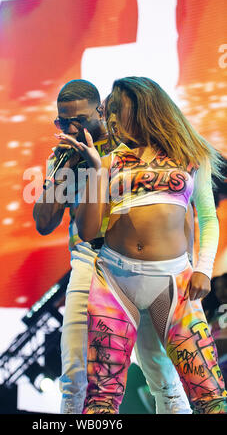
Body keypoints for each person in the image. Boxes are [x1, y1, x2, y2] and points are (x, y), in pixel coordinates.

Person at [57, 76, 227, 414]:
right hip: (114, 280)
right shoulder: (109, 161)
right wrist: (94, 171)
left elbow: (208, 218)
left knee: (209, 395)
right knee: (102, 400)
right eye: (111, 112)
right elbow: (89, 231)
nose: (113, 120)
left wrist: (204, 269)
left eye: (118, 110)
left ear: (145, 107)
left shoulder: (191, 155)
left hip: (173, 280)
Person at [33, 79, 192, 414]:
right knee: (75, 375)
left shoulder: (131, 145)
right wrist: (61, 167)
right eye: (63, 121)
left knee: (160, 370)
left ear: (101, 113)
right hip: (88, 261)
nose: (71, 127)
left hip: (136, 265)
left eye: (79, 119)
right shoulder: (62, 158)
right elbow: (44, 223)